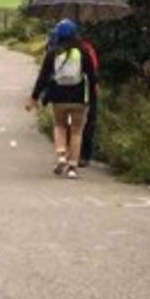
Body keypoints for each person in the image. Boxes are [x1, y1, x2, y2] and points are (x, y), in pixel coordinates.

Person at [25, 18, 97, 179]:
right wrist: (92, 98)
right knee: (77, 132)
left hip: (59, 97)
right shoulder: (83, 51)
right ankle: (72, 167)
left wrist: (34, 98)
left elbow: (43, 77)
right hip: (79, 97)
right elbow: (92, 77)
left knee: (60, 126)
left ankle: (61, 156)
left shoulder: (53, 52)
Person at [78, 34, 100, 167]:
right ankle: (84, 155)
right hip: (88, 92)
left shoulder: (60, 49)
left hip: (67, 92)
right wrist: (95, 85)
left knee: (68, 124)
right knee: (89, 121)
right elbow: (93, 71)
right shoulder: (88, 49)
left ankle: (68, 153)